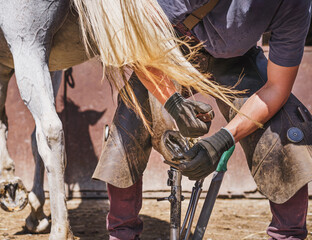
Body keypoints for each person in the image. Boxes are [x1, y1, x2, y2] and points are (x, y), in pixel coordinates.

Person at [91, 0, 312, 239]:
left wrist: (222, 140)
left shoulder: (296, 4)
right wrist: (174, 104)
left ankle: (288, 234)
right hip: (170, 50)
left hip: (237, 58)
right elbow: (137, 35)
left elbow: (277, 88)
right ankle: (122, 232)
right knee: (131, 120)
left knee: (287, 130)